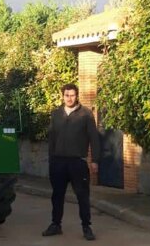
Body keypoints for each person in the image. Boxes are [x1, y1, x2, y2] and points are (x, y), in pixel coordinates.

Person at [42, 83, 100, 241]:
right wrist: (51, 160)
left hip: (78, 162)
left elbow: (94, 138)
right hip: (58, 162)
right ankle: (55, 225)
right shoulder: (56, 114)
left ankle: (86, 227)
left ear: (77, 96)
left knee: (82, 196)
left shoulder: (86, 114)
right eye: (67, 95)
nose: (69, 98)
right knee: (57, 195)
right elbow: (52, 138)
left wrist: (95, 160)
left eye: (72, 95)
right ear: (63, 96)